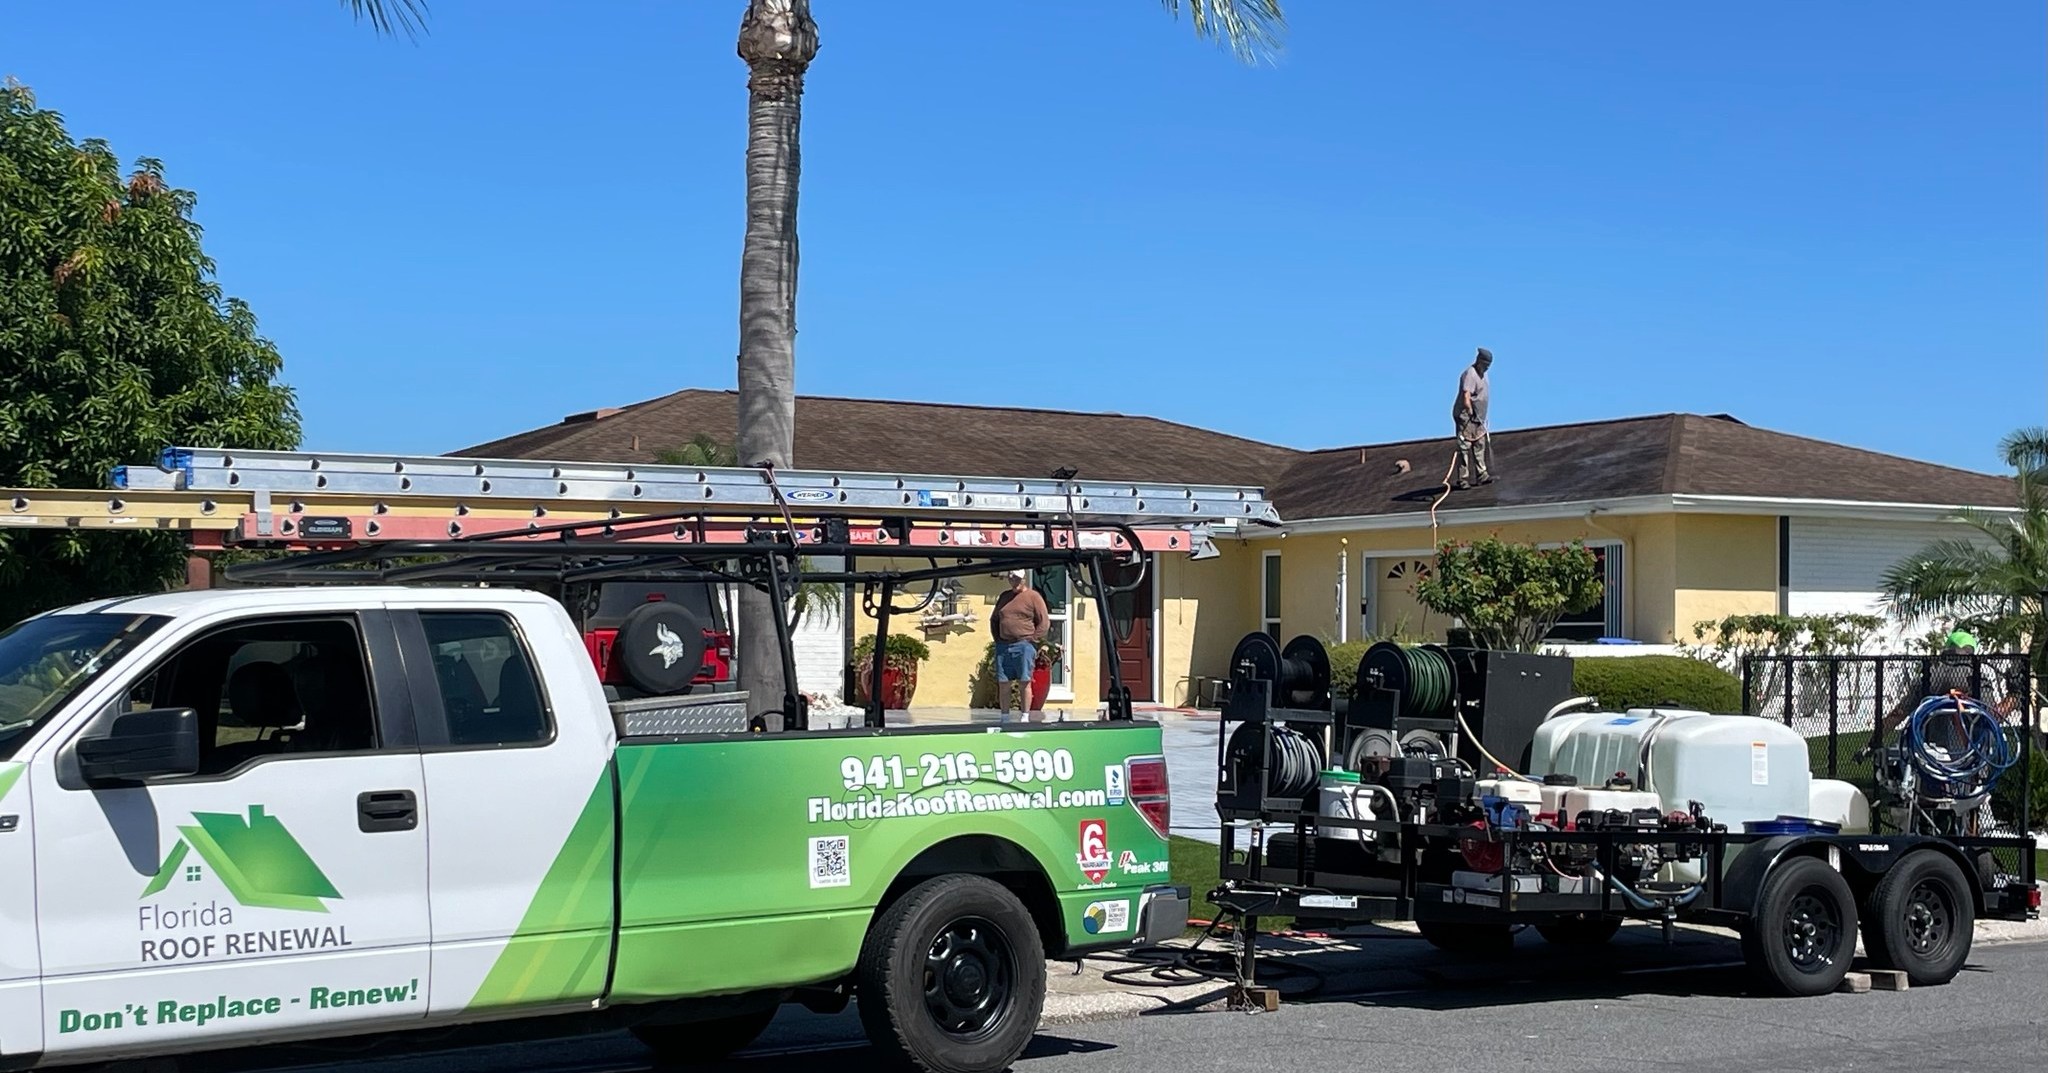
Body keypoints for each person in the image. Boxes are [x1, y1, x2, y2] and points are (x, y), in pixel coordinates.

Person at [991, 569, 1049, 719]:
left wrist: (1033, 640)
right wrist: (998, 639)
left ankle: (1025, 715)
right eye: (1011, 578)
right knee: (1003, 682)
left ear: (1024, 579)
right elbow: (994, 619)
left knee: (1024, 681)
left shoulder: (1033, 597)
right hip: (1004, 646)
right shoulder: (1005, 597)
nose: (1014, 582)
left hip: (1024, 645)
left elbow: (1044, 622)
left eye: (1017, 579)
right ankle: (1004, 716)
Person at [1451, 347, 1494, 490]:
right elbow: (1466, 395)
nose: (1487, 368)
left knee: (1479, 444)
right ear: (1479, 361)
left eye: (1489, 366)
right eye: (1485, 365)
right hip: (1466, 417)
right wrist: (1469, 410)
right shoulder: (1470, 374)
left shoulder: (1484, 375)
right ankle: (1463, 479)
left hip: (1479, 418)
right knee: (1465, 446)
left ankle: (1482, 474)